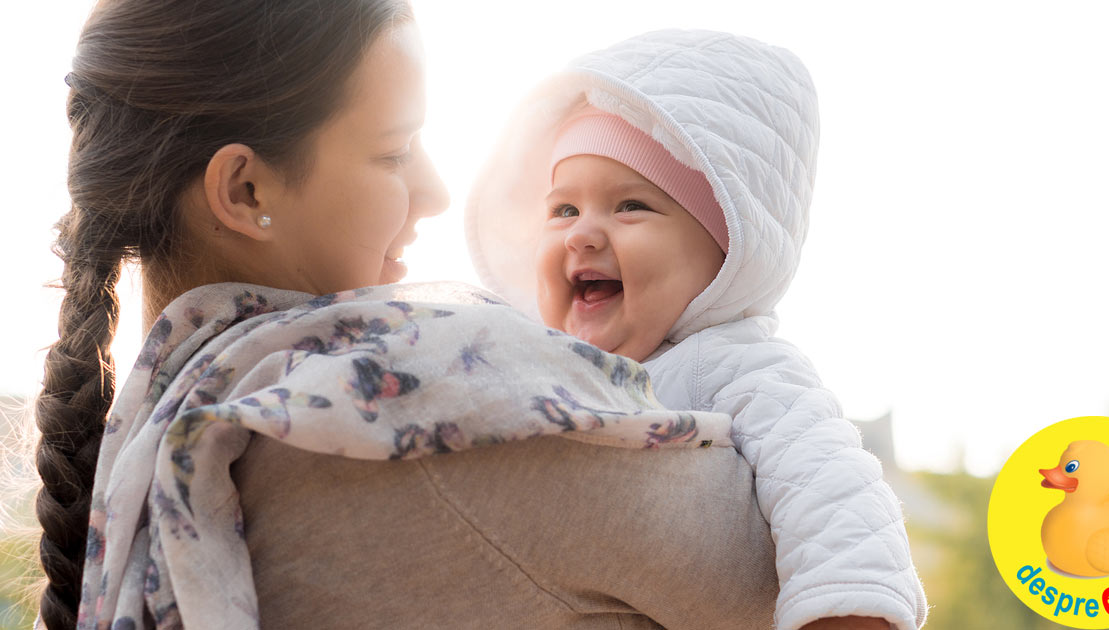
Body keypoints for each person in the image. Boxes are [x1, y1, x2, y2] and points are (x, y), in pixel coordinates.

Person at [28, 2, 828, 629]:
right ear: (244, 191)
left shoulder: (144, 450)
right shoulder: (432, 415)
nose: (440, 192)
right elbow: (797, 575)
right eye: (393, 151)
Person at [465, 30, 928, 630]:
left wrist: (848, 608)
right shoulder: (529, 359)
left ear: (724, 252)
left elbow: (830, 489)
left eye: (630, 205)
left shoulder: (738, 365)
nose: (582, 233)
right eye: (563, 209)